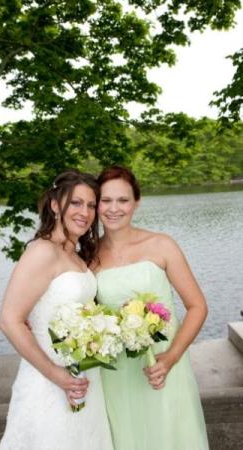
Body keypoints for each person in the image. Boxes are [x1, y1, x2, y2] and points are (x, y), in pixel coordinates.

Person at [94, 166, 209, 450]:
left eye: (122, 200)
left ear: (136, 203)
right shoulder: (88, 255)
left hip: (164, 366)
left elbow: (197, 307)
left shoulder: (162, 245)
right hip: (115, 373)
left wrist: (170, 357)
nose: (113, 209)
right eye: (105, 200)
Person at [0, 170, 113, 450]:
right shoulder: (42, 252)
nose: (84, 212)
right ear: (54, 205)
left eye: (90, 205)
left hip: (83, 377)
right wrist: (55, 374)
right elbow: (9, 320)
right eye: (75, 203)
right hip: (47, 380)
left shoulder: (74, 253)